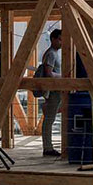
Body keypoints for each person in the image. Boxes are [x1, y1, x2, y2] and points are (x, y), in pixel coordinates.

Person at [36, 27, 64, 157]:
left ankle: (48, 146)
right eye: (60, 39)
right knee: (49, 119)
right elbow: (49, 73)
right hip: (53, 91)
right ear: (53, 39)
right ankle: (48, 147)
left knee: (50, 118)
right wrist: (63, 77)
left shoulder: (54, 53)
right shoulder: (51, 54)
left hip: (56, 90)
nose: (61, 42)